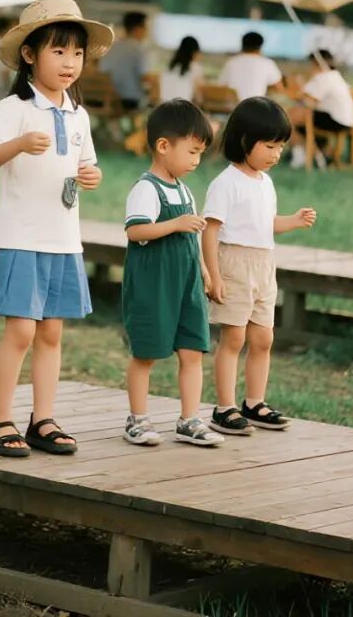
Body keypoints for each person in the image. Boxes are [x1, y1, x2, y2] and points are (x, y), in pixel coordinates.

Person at [0, 0, 114, 458]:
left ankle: (43, 418)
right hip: (20, 236)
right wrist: (16, 144)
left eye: (76, 54)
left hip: (63, 240)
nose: (70, 63)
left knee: (52, 333)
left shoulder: (79, 115)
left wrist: (92, 176)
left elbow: (86, 166)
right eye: (58, 52)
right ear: (30, 55)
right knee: (21, 333)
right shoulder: (13, 107)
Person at [201, 98, 317, 436]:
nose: (276, 154)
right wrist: (213, 274)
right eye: (269, 146)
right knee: (233, 338)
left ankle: (255, 402)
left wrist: (292, 221)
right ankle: (224, 408)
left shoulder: (265, 182)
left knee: (263, 338)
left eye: (280, 147)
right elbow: (210, 231)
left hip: (264, 265)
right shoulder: (226, 183)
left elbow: (265, 224)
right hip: (234, 264)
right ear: (243, 141)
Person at [122, 99, 223, 448]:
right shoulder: (146, 189)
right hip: (155, 285)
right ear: (164, 146)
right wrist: (175, 223)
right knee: (146, 352)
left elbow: (192, 237)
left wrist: (207, 273)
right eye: (192, 152)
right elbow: (136, 232)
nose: (196, 161)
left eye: (200, 153)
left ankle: (190, 419)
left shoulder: (184, 190)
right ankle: (137, 419)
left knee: (192, 350)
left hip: (187, 283)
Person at [287, 50, 353, 168]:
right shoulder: (335, 76)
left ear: (316, 63)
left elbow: (307, 101)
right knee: (296, 117)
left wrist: (298, 86)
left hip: (335, 120)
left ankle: (301, 155)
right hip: (346, 120)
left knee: (289, 118)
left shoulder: (323, 77)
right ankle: (316, 154)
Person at [100, 11, 151, 109]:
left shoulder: (111, 47)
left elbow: (102, 71)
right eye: (146, 28)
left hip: (107, 98)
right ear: (138, 29)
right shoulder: (139, 49)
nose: (147, 31)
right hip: (130, 101)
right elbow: (145, 78)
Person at [218, 32, 284, 103]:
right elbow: (279, 88)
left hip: (233, 108)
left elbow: (221, 86)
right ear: (260, 47)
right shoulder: (268, 63)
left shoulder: (231, 62)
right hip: (256, 107)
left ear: (242, 45)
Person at [161, 36, 205, 103]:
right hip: (182, 109)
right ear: (195, 52)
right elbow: (199, 96)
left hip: (164, 106)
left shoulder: (169, 67)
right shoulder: (195, 67)